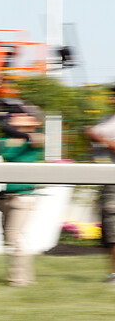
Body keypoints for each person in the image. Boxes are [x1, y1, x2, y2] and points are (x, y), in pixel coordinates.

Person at [0, 112, 44, 287]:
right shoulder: (5, 138)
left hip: (24, 196)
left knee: (14, 237)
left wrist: (17, 131)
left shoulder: (36, 138)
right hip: (7, 196)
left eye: (22, 115)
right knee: (12, 238)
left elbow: (34, 140)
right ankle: (27, 279)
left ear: (33, 121)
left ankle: (19, 280)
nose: (15, 116)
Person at [84, 85, 115, 284]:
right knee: (107, 230)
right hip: (104, 179)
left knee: (113, 227)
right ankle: (112, 274)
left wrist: (97, 137)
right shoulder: (107, 119)